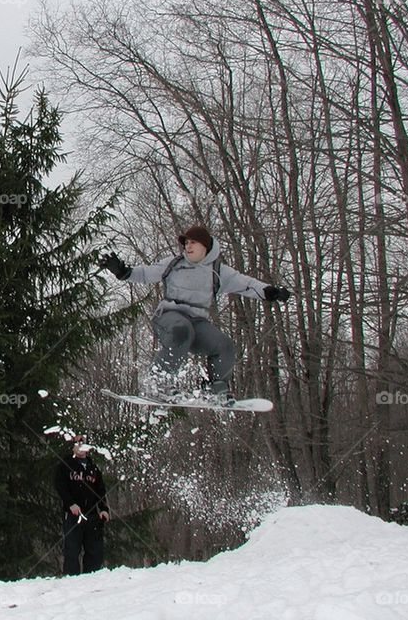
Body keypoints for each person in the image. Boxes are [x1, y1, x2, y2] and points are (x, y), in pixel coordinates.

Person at [99, 225, 291, 404]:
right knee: (182, 331)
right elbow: (144, 274)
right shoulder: (173, 264)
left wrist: (270, 291)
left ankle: (215, 389)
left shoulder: (218, 271)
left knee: (224, 346)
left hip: (198, 322)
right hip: (169, 316)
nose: (188, 246)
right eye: (186, 243)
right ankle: (159, 383)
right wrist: (122, 271)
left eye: (193, 243)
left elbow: (246, 284)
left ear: (205, 246)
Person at [54, 436, 109, 575]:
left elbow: (100, 491)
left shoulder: (93, 468)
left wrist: (103, 509)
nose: (81, 447)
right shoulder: (65, 465)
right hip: (73, 515)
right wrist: (70, 504)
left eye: (83, 443)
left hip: (92, 515)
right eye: (77, 443)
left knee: (95, 551)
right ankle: (72, 581)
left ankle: (91, 579)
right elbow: (60, 486)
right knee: (72, 550)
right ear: (73, 446)